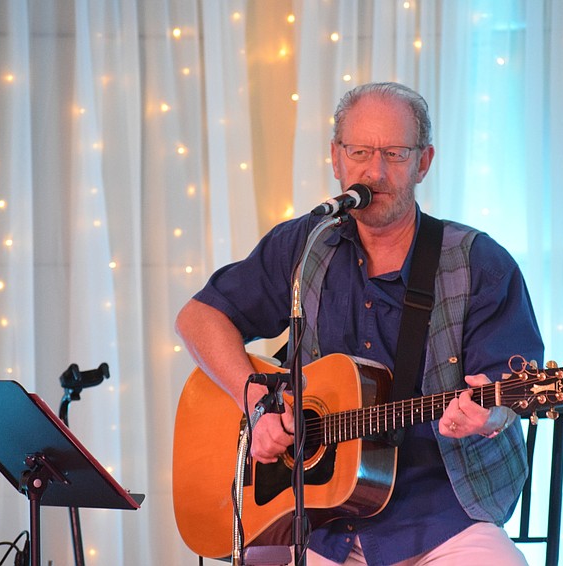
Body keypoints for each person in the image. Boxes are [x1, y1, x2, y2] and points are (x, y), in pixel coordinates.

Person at [175, 82, 543, 565]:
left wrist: (492, 414)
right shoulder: (305, 244)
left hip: (438, 517)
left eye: (395, 152)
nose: (376, 170)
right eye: (360, 151)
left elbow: (505, 387)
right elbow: (198, 317)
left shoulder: (479, 264)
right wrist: (258, 404)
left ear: (423, 161)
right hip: (313, 518)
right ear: (336, 158)